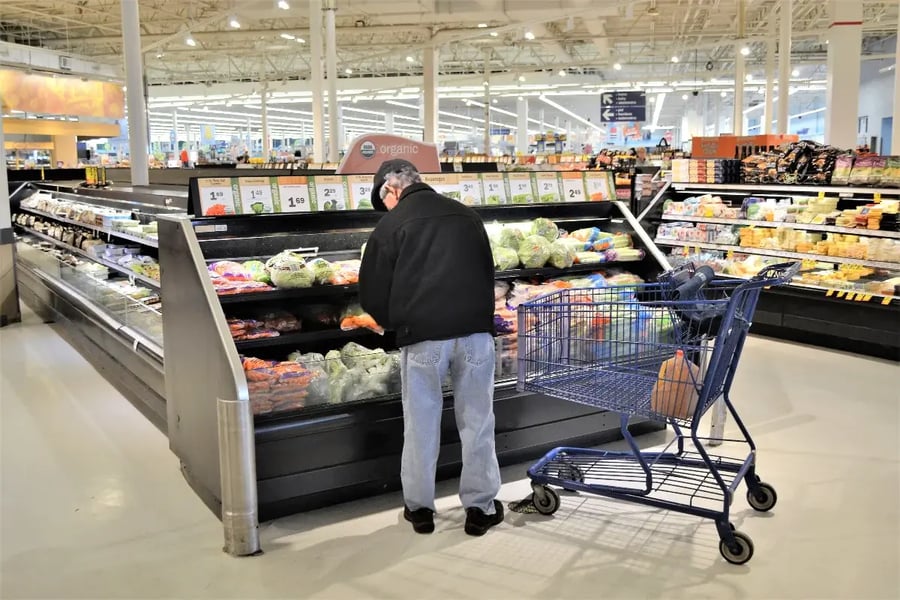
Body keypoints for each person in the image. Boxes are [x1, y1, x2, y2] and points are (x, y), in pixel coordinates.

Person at [359, 158, 503, 536]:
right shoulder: (467, 215)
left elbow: (371, 293)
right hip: (475, 334)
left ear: (391, 189)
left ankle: (420, 509)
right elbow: (488, 272)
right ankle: (480, 508)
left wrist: (394, 322)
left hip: (423, 338)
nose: (387, 207)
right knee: (478, 420)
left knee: (421, 422)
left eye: (384, 200)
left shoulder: (391, 225)